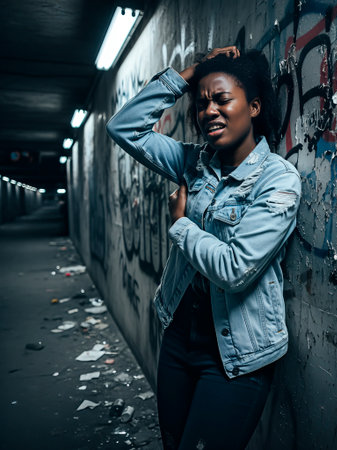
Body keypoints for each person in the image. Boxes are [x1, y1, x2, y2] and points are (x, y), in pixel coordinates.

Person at [106, 46, 301, 449]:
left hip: (236, 354)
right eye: (202, 103)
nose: (209, 110)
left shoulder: (278, 181)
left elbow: (234, 269)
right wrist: (189, 74)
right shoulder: (194, 163)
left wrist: (181, 225)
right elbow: (124, 128)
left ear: (255, 106)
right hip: (179, 338)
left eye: (223, 99)